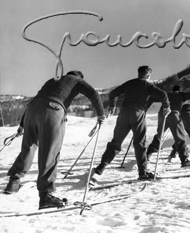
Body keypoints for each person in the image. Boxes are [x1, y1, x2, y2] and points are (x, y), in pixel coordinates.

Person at [4, 71, 106, 210]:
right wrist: (101, 114)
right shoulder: (76, 80)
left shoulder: (52, 80)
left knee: (29, 146)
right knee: (50, 151)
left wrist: (22, 125)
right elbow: (93, 93)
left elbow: (37, 99)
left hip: (31, 110)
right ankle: (46, 196)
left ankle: (14, 181)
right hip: (52, 110)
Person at [93, 66, 170, 180]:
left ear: (138, 73)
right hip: (138, 113)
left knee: (116, 142)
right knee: (140, 143)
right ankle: (142, 173)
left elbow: (113, 93)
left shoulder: (129, 83)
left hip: (123, 113)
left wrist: (112, 106)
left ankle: (101, 166)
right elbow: (163, 95)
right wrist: (166, 107)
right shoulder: (147, 85)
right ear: (148, 76)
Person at [146, 85, 190, 167]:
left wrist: (145, 109)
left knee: (160, 135)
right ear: (180, 90)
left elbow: (151, 98)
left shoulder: (165, 94)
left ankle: (148, 154)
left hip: (162, 114)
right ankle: (184, 160)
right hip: (174, 114)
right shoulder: (181, 95)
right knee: (180, 137)